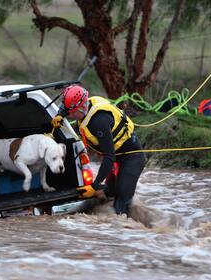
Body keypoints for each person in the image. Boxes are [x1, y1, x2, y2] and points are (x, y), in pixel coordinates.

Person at [51, 85, 145, 217]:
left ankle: (128, 230)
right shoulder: (84, 106)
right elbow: (67, 108)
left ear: (82, 107)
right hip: (116, 157)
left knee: (120, 206)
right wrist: (60, 115)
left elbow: (109, 157)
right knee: (109, 195)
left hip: (132, 158)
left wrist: (94, 186)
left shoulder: (98, 121)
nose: (69, 115)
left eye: (71, 112)